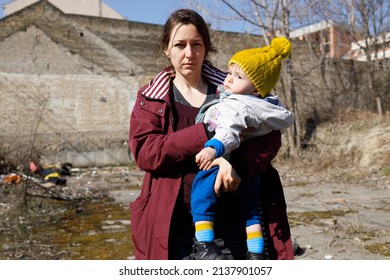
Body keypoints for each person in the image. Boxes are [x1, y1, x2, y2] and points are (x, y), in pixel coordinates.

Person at [129, 9, 294, 260]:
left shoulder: (235, 88)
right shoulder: (152, 97)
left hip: (234, 220)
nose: (188, 53)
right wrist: (206, 131)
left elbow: (270, 138)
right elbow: (146, 152)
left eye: (196, 44)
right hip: (174, 224)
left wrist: (238, 165)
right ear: (166, 48)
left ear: (206, 47)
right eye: (179, 45)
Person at [191, 37, 294, 260]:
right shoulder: (267, 107)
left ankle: (203, 243)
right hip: (250, 171)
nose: (229, 79)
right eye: (230, 72)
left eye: (238, 77)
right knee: (251, 210)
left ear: (256, 88)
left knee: (201, 190)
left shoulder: (237, 104)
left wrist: (212, 148)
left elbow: (228, 130)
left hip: (224, 156)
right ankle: (256, 252)